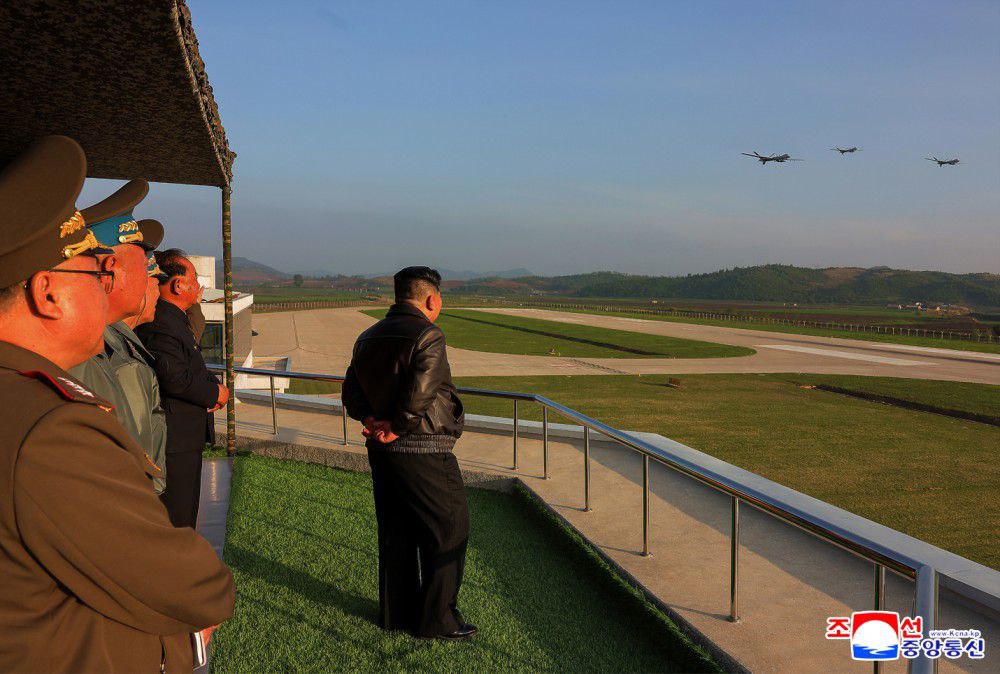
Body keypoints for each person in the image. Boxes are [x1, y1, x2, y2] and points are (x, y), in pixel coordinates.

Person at [0, 135, 234, 672]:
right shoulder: (50, 429)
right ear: (48, 293)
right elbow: (196, 587)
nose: (104, 288)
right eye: (91, 274)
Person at [342, 266, 475, 640]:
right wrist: (398, 427)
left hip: (382, 452)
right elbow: (422, 392)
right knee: (449, 527)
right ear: (431, 299)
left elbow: (350, 392)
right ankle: (438, 619)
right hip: (424, 448)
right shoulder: (428, 335)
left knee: (396, 530)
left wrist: (373, 420)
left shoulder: (367, 336)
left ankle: (395, 613)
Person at [68, 179, 169, 491]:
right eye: (143, 264)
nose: (151, 278)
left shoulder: (108, 346)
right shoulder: (84, 354)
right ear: (110, 267)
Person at [137, 249, 229, 528]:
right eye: (195, 279)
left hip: (182, 437)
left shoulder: (175, 319)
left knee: (186, 510)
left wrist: (210, 385)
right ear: (179, 285)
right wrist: (215, 393)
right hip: (174, 439)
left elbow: (189, 366)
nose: (199, 286)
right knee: (178, 517)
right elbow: (174, 376)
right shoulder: (162, 322)